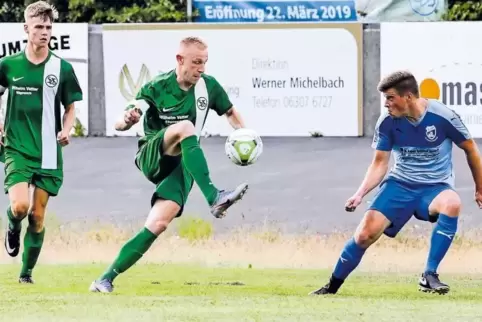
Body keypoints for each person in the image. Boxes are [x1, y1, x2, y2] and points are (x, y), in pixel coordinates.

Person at [89, 36, 249, 293]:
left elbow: (230, 112)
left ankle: (104, 279)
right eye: (196, 62)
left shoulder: (209, 87)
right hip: (153, 155)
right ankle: (214, 197)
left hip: (183, 163)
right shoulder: (157, 86)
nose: (202, 68)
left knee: (158, 224)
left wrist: (246, 134)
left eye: (205, 62)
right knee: (187, 127)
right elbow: (123, 118)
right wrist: (127, 120)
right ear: (179, 59)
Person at [310, 70, 482, 295]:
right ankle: (331, 287)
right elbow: (380, 163)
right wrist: (360, 194)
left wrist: (479, 188)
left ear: (408, 97)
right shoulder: (387, 122)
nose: (386, 104)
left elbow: (470, 148)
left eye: (390, 98)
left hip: (434, 188)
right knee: (364, 235)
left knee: (452, 203)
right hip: (399, 185)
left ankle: (429, 275)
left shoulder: (443, 117)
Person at [0, 1, 83, 283]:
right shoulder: (7, 65)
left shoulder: (62, 68)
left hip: (49, 152)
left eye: (48, 27)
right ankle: (12, 226)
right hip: (16, 148)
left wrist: (67, 130)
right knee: (20, 207)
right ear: (26, 29)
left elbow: (71, 107)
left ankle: (26, 275)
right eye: (39, 27)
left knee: (36, 217)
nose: (44, 32)